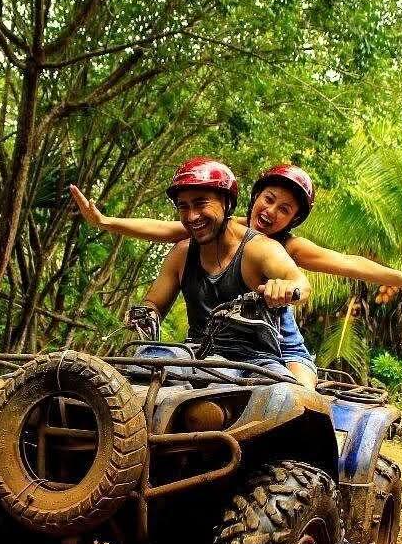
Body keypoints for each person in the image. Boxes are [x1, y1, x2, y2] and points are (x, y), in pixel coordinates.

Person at [70, 163, 402, 386]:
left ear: (293, 220)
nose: (271, 212)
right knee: (147, 368)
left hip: (277, 347)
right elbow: (165, 228)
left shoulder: (284, 248)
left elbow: (345, 263)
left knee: (297, 402)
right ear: (252, 198)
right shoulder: (211, 227)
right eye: (269, 199)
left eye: (284, 209)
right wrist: (105, 222)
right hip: (210, 346)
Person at [131, 157, 310, 379]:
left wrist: (286, 288)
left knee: (285, 392)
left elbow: (301, 283)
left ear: (227, 203)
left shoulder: (261, 248)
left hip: (255, 362)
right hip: (195, 355)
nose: (191, 216)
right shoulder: (181, 253)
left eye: (201, 204)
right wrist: (145, 314)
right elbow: (154, 303)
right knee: (146, 359)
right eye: (183, 207)